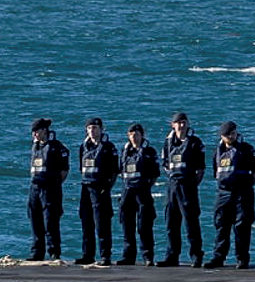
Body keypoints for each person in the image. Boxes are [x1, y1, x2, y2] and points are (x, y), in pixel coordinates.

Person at [206, 121, 255, 269]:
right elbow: (215, 172)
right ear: (222, 136)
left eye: (233, 133)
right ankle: (218, 257)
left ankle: (242, 258)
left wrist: (246, 185)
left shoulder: (246, 149)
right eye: (227, 134)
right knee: (221, 225)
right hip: (224, 193)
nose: (231, 136)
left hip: (242, 192)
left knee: (242, 225)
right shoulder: (218, 152)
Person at [156, 111, 207, 267]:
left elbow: (201, 169)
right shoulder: (168, 142)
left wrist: (191, 184)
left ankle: (196, 256)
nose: (182, 125)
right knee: (171, 223)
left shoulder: (195, 142)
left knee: (191, 223)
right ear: (173, 125)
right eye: (178, 123)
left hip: (188, 185)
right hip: (172, 185)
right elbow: (165, 164)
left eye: (184, 122)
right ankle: (172, 256)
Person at [73, 116, 118, 267]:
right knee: (86, 221)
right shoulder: (84, 146)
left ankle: (105, 255)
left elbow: (114, 171)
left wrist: (107, 187)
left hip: (100, 188)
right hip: (86, 186)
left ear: (101, 129)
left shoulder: (108, 147)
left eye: (95, 128)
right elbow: (81, 167)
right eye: (90, 128)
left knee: (102, 223)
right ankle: (88, 255)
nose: (92, 131)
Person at [116, 123, 160, 266]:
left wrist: (145, 185)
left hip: (142, 191)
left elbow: (154, 174)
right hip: (127, 190)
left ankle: (148, 256)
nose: (134, 137)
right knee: (127, 225)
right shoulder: (125, 151)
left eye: (137, 134)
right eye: (131, 135)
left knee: (144, 226)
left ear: (142, 135)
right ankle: (128, 256)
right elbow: (120, 171)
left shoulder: (149, 151)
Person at [26, 118, 69, 262]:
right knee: (35, 219)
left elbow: (64, 170)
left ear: (44, 130)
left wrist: (54, 184)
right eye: (33, 132)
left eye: (36, 131)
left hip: (50, 188)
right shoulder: (35, 147)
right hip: (35, 188)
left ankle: (54, 252)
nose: (34, 135)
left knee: (50, 221)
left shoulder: (56, 147)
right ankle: (37, 252)